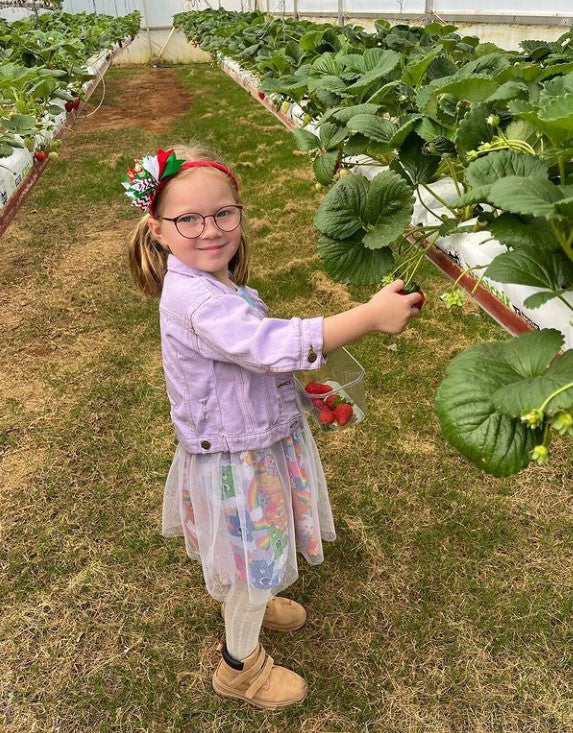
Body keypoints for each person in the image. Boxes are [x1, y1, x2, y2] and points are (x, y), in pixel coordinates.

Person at [123, 142, 422, 711]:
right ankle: (240, 667)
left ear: (239, 214)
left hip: (255, 442)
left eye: (223, 213)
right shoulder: (197, 301)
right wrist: (368, 317)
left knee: (254, 552)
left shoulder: (213, 282)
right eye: (188, 219)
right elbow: (264, 347)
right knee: (253, 563)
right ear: (158, 230)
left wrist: (303, 391)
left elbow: (253, 363)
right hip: (240, 459)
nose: (209, 229)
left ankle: (252, 594)